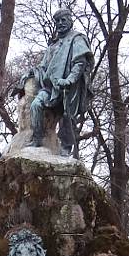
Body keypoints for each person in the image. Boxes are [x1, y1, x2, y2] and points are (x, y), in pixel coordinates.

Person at [17, 8, 94, 157]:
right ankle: (37, 139)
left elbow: (80, 63)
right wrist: (31, 73)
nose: (60, 23)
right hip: (51, 87)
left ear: (70, 20)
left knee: (67, 115)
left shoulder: (77, 39)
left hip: (69, 88)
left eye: (63, 20)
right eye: (57, 21)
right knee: (36, 105)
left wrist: (69, 80)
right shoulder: (53, 45)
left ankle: (66, 146)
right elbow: (43, 66)